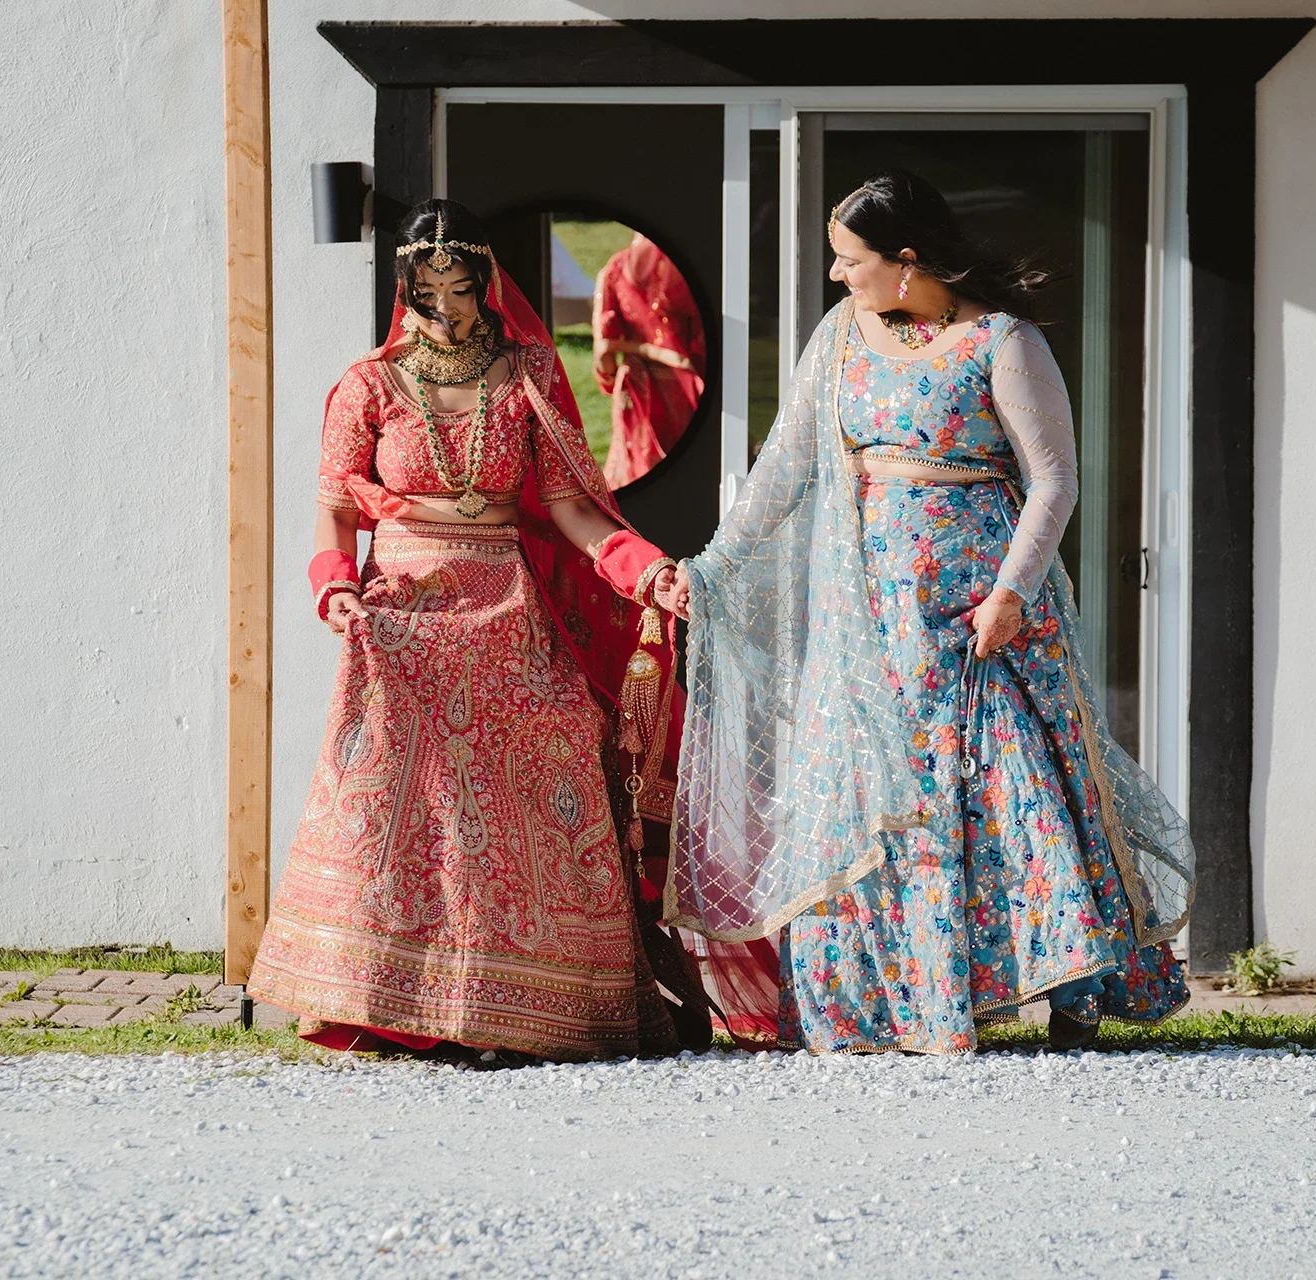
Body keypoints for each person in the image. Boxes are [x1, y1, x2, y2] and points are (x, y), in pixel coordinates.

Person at [664, 170, 1194, 1054]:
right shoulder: (840, 338)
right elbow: (784, 469)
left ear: (906, 263)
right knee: (874, 794)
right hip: (867, 613)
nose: (837, 276)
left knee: (1013, 783)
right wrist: (712, 566)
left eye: (850, 260)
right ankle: (883, 1000)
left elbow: (1054, 478)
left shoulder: (1000, 340)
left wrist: (1011, 595)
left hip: (980, 610)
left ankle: (1069, 989)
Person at [246, 200, 699, 1062]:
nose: (447, 308)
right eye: (429, 291)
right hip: (401, 618)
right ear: (403, 290)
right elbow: (335, 517)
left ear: (488, 287)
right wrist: (336, 591)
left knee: (551, 767)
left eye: (461, 288)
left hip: (505, 610)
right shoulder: (367, 385)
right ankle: (401, 1007)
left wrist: (647, 570)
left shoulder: (528, 371)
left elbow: (574, 509)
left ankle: (535, 1008)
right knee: (407, 805)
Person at [591, 233, 706, 489]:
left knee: (636, 478)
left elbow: (604, 360)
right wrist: (663, 354)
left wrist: (627, 353)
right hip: (685, 387)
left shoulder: (615, 270)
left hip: (637, 387)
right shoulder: (688, 266)